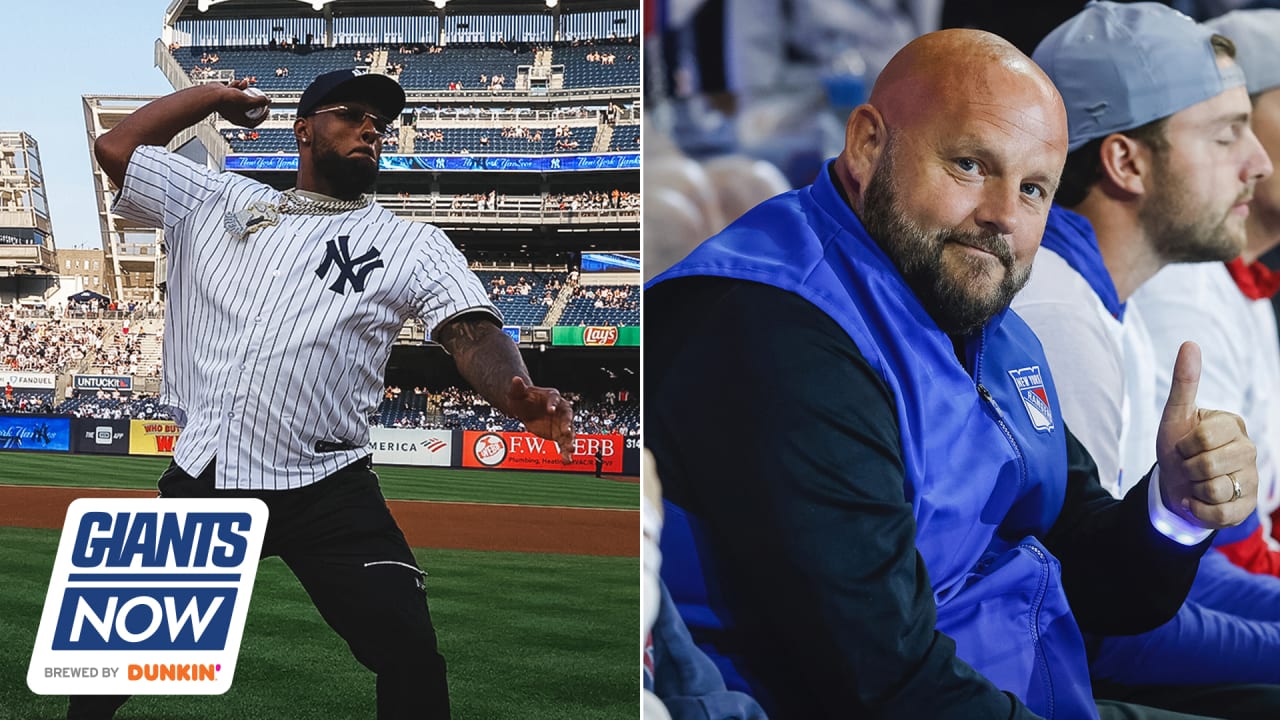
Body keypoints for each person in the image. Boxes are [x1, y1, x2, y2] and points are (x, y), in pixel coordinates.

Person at [646, 27, 1259, 720]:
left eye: (1033, 189)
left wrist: (1173, 511)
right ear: (867, 145)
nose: (1001, 215)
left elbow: (1100, 580)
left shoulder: (979, 317)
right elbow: (882, 682)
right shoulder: (775, 331)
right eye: (970, 164)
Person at [69, 69, 575, 720]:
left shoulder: (411, 245)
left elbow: (472, 333)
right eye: (353, 114)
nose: (372, 129)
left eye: (380, 123)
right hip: (209, 478)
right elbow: (117, 148)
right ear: (304, 129)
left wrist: (520, 393)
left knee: (412, 657)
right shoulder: (217, 200)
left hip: (330, 489)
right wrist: (218, 98)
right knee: (113, 658)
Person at [1009, 6, 1280, 714]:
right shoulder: (1056, 319)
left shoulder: (1098, 300)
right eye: (1225, 136)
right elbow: (1099, 623)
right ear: (1126, 160)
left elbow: (1179, 575)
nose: (1257, 163)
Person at [1133, 9, 1280, 573]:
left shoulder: (1243, 284)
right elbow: (1214, 545)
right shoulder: (1185, 290)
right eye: (1230, 127)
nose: (1256, 160)